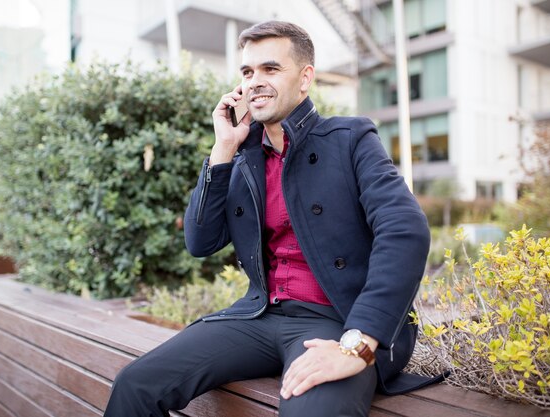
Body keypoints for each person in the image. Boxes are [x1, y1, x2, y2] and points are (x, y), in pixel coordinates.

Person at [104, 20, 439, 417]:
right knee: (135, 385)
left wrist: (359, 344)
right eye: (247, 72)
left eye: (270, 69)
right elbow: (200, 242)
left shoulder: (350, 139)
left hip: (338, 319)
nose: (254, 82)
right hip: (261, 316)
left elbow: (405, 230)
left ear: (305, 78)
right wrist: (222, 150)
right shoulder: (244, 157)